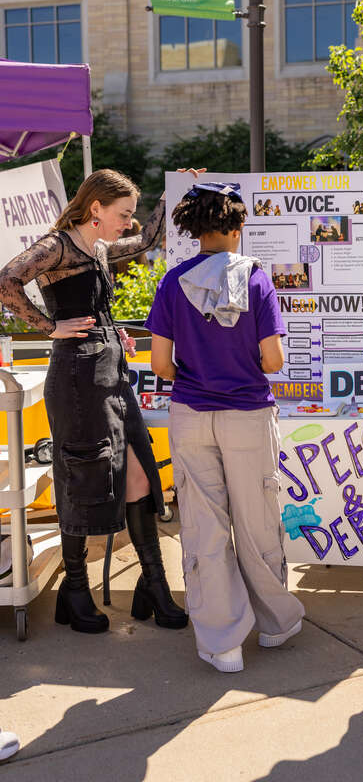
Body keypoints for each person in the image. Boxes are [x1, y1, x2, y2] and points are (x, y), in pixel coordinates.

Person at [0, 168, 200, 635]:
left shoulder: (100, 248)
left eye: (131, 213)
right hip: (77, 379)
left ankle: (155, 586)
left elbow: (149, 241)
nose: (129, 222)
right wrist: (49, 327)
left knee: (139, 476)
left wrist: (173, 192)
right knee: (83, 476)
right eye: (123, 213)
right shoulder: (59, 246)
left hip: (110, 375)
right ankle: (76, 588)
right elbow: (7, 279)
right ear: (96, 209)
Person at [146, 182, 304, 673]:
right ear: (238, 228)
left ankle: (222, 643)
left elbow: (161, 365)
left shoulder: (173, 282)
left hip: (192, 413)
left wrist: (199, 368)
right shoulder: (257, 279)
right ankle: (276, 624)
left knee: (204, 525)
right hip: (247, 414)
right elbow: (273, 361)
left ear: (195, 230)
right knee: (257, 519)